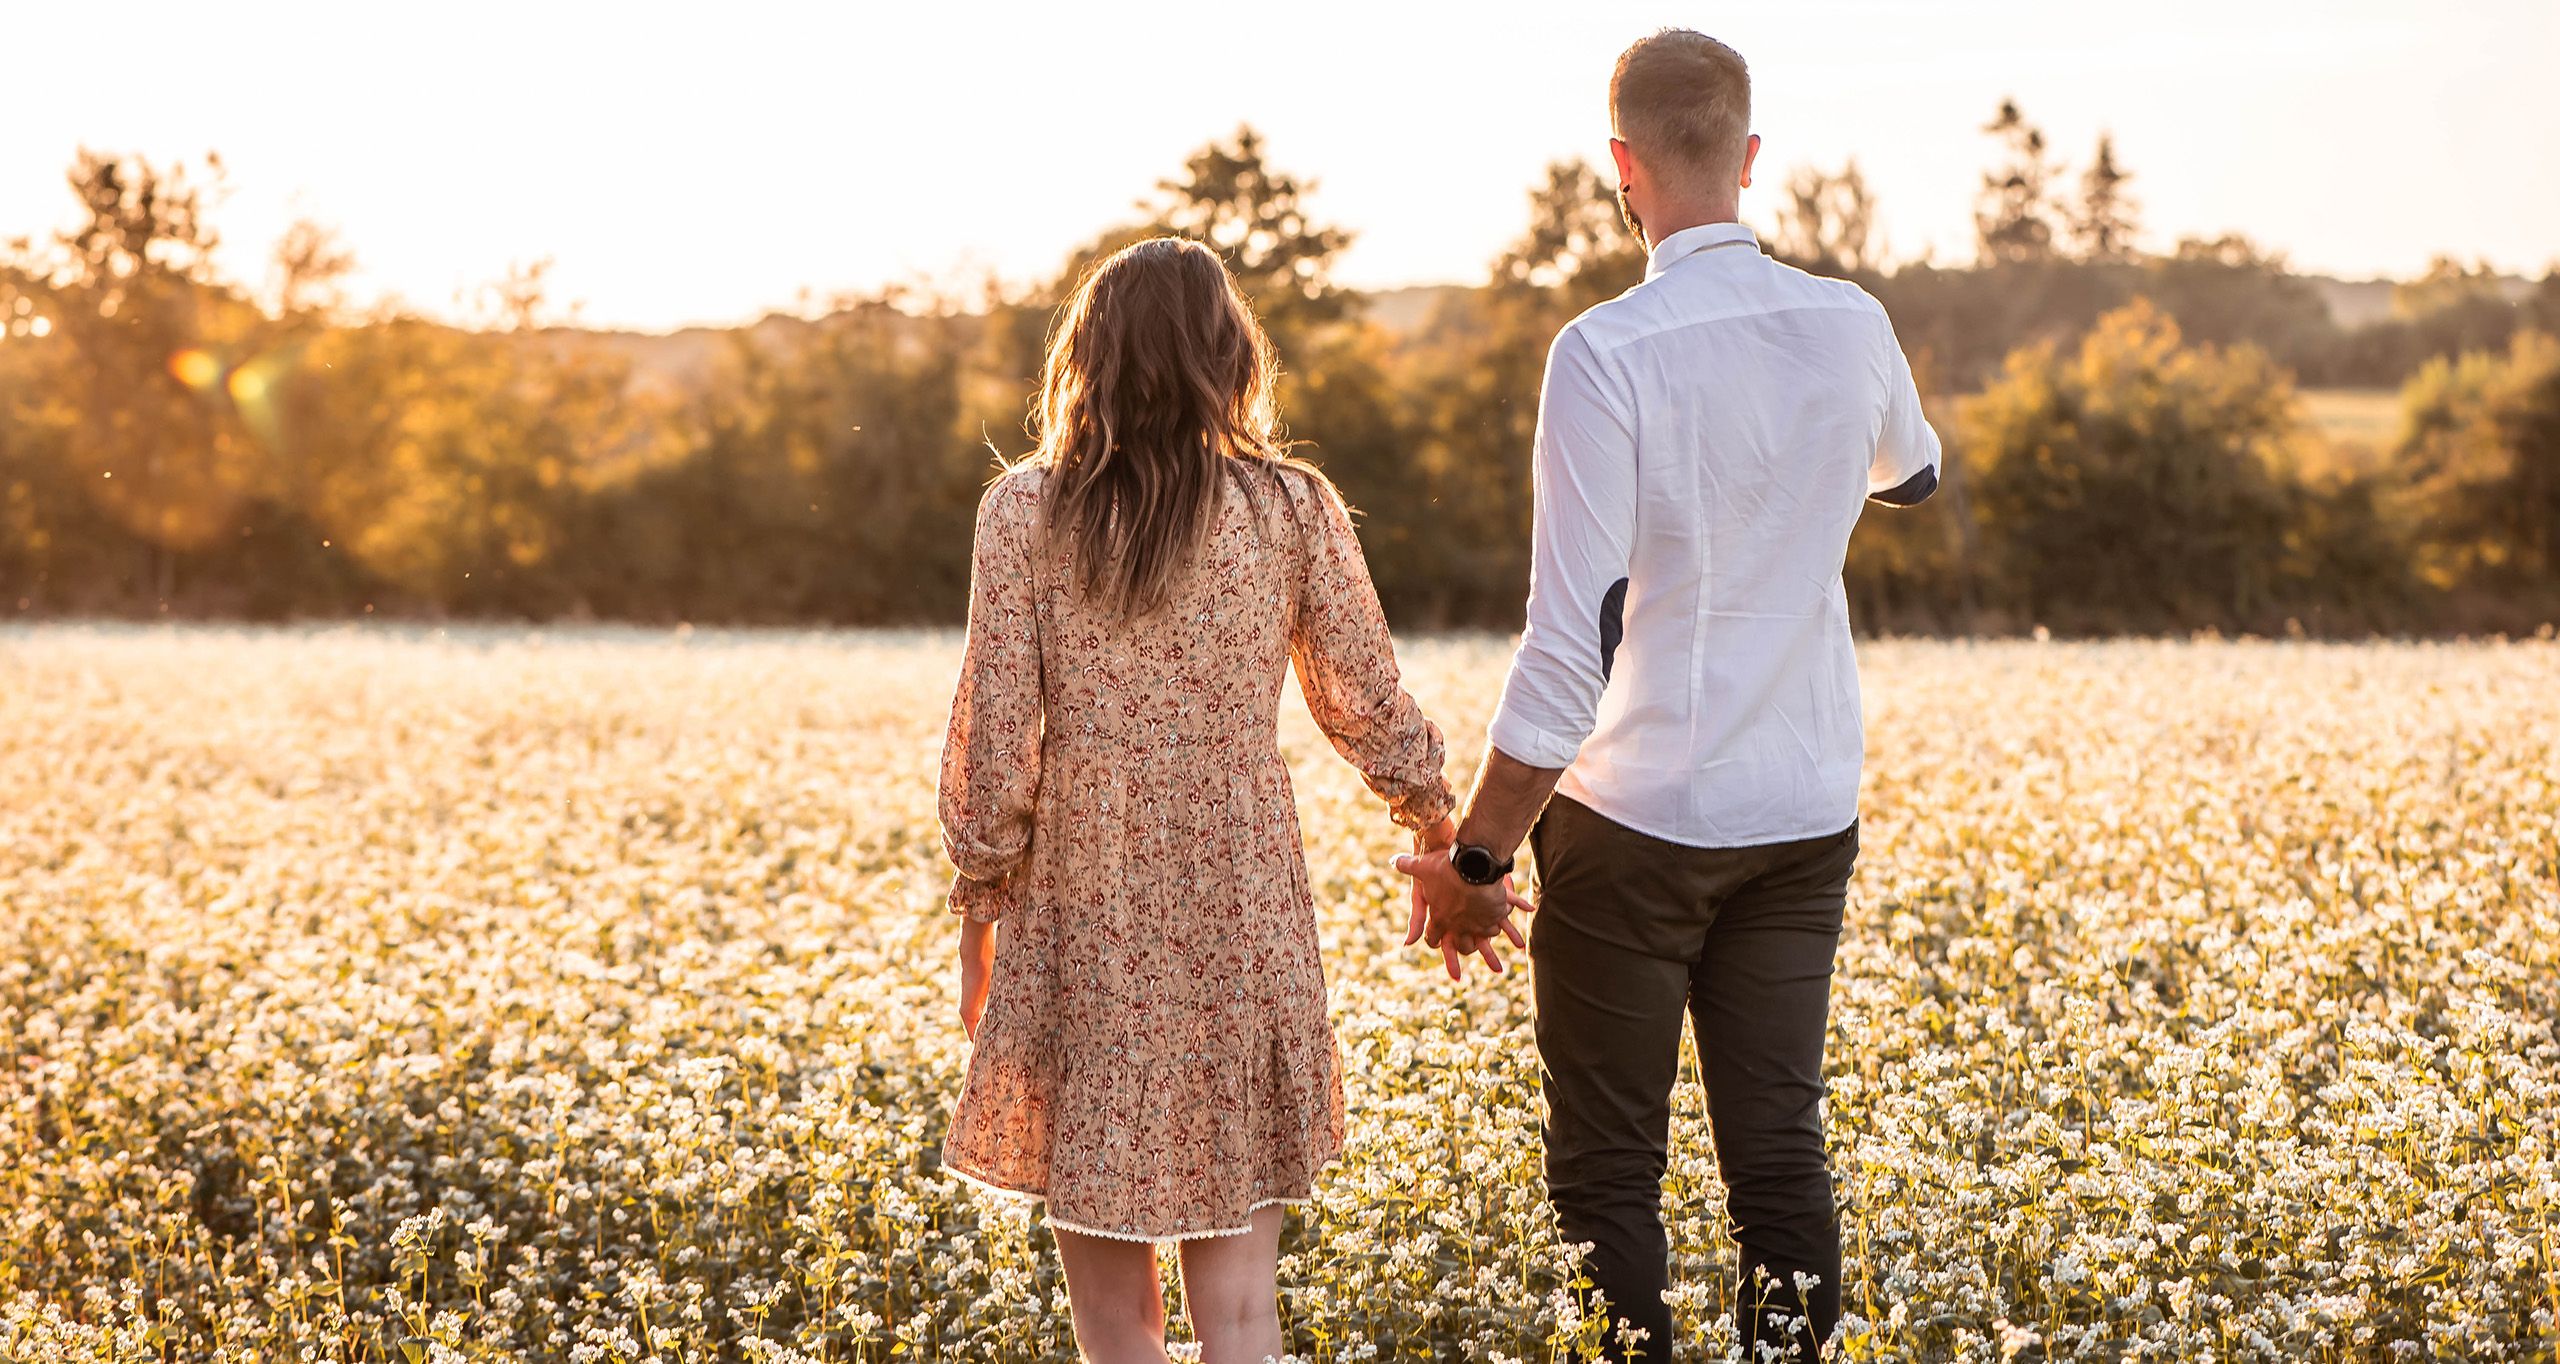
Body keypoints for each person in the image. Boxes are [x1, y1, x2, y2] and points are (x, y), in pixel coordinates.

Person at [1395, 29, 1941, 1363]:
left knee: (1606, 1174)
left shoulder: (1603, 352)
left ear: (1621, 172)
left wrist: (1477, 857)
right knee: (1778, 1158)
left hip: (1637, 821)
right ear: (1750, 159)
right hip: (1802, 811)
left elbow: (1571, 636)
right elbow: (1909, 475)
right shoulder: (1851, 321)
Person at [935, 235, 1529, 1364]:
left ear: (1090, 358)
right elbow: (1364, 698)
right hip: (1240, 901)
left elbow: (995, 740)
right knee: (1244, 1315)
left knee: (1114, 1325)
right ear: (1230, 354)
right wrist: (1443, 825)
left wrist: (981, 914)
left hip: (1086, 911)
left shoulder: (1023, 512)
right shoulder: (1290, 507)